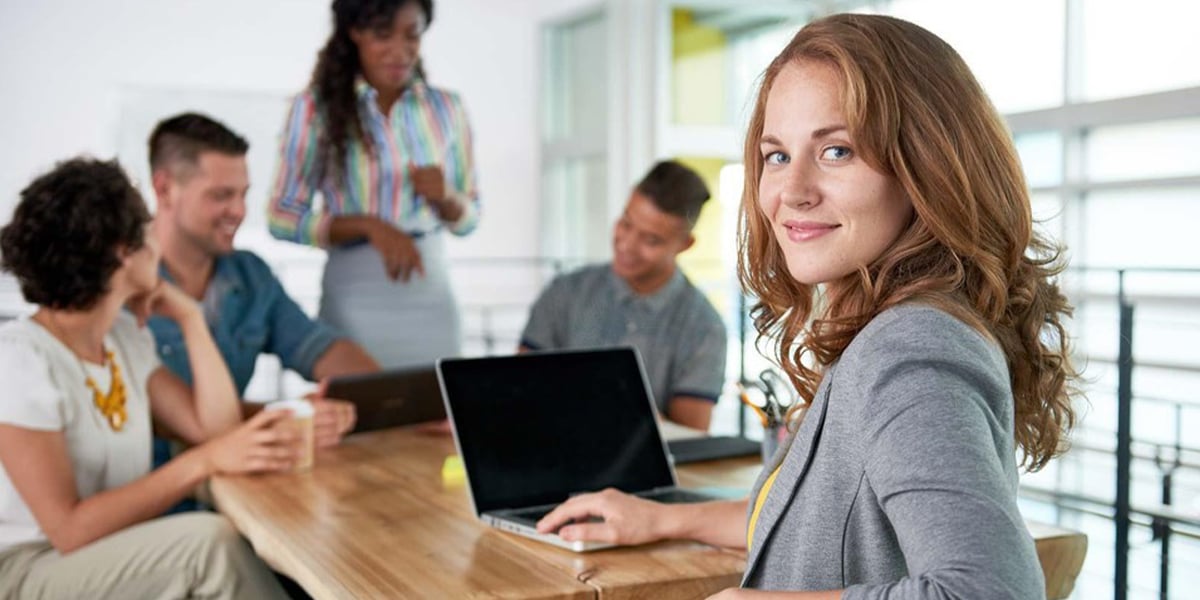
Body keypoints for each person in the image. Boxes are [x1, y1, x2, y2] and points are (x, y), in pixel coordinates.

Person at [537, 14, 1079, 599]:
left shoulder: (911, 347)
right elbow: (805, 524)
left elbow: (993, 592)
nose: (791, 190)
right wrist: (662, 518)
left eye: (837, 150)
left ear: (927, 166)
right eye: (776, 155)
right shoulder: (885, 331)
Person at [0, 158, 296, 599]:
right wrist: (203, 461)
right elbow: (68, 530)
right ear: (124, 250)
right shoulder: (21, 360)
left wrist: (191, 320)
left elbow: (215, 429)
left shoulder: (123, 339)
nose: (157, 239)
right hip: (31, 568)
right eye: (147, 229)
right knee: (208, 546)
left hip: (110, 554)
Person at [148, 112, 379, 456]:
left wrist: (389, 394)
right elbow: (164, 415)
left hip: (236, 484)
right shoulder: (121, 283)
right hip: (158, 496)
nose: (239, 211)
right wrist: (291, 417)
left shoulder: (250, 276)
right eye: (221, 195)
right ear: (165, 189)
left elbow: (318, 346)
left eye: (243, 195)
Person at [267, 0, 479, 369]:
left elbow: (470, 218)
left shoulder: (447, 109)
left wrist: (447, 197)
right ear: (355, 32)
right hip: (355, 293)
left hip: (430, 292)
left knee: (439, 415)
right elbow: (281, 216)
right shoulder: (314, 109)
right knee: (359, 413)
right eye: (383, 35)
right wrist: (370, 226)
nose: (400, 51)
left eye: (412, 35)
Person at [519, 160, 727, 431]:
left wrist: (621, 409)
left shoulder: (704, 327)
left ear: (684, 245)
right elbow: (520, 392)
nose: (627, 245)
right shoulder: (564, 293)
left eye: (651, 240)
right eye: (625, 224)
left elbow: (691, 439)